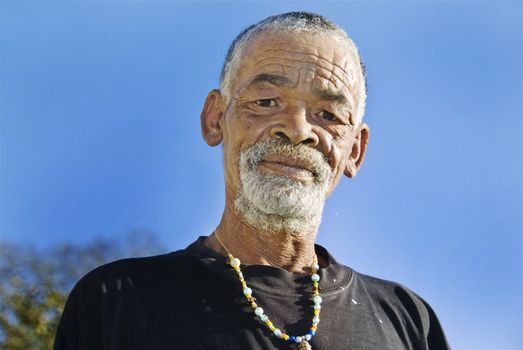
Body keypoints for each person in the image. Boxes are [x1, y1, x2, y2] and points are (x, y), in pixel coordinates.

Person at [54, 12, 451, 350]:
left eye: (328, 115)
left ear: (355, 151)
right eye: (266, 102)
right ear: (215, 119)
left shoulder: (408, 321)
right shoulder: (116, 302)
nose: (298, 131)